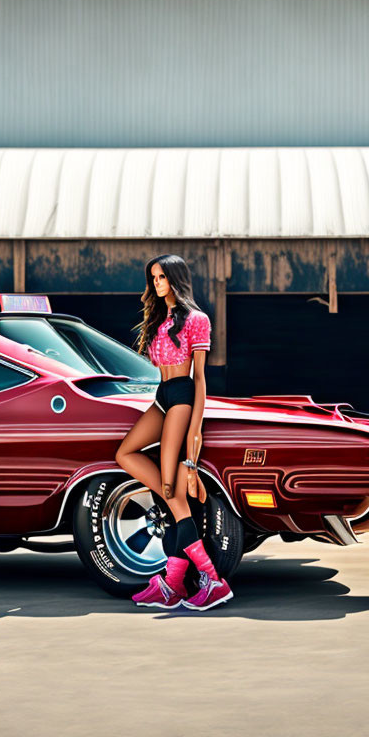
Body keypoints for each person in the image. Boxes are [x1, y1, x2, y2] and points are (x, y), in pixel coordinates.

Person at [115, 254, 232, 611]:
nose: (157, 283)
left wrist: (194, 439)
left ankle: (211, 580)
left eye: (162, 277)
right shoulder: (158, 318)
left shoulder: (197, 319)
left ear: (176, 279)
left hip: (181, 396)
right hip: (161, 396)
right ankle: (174, 582)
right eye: (153, 278)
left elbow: (200, 379)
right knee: (126, 454)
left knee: (170, 489)